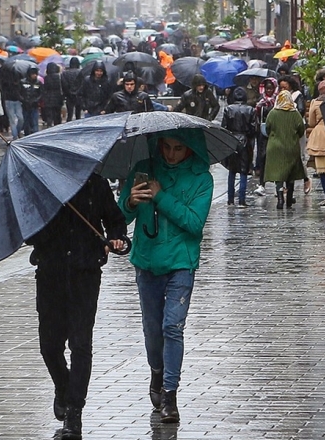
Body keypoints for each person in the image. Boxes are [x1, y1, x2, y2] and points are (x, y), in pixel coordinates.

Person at [117, 129, 214, 424]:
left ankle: (170, 394)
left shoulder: (201, 179)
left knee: (173, 326)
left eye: (178, 149)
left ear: (190, 149)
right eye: (166, 147)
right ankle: (156, 372)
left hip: (181, 261)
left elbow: (194, 223)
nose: (171, 154)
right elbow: (120, 216)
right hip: (147, 259)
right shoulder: (144, 169)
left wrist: (161, 196)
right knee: (152, 328)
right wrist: (131, 202)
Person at [26, 174, 127, 440]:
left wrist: (115, 239)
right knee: (49, 344)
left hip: (85, 272)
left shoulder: (96, 183)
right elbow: (29, 232)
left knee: (81, 344)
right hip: (51, 273)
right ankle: (64, 386)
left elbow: (115, 220)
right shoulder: (44, 185)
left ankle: (74, 412)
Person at [263, 90, 306, 209]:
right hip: (291, 147)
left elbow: (267, 128)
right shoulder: (295, 114)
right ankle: (289, 199)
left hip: (275, 148)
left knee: (278, 174)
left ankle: (280, 198)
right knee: (291, 174)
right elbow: (301, 130)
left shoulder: (273, 113)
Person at [221, 88, 257, 207]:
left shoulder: (228, 109)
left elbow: (223, 127)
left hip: (232, 140)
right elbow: (253, 129)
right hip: (245, 141)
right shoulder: (250, 110)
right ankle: (242, 200)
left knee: (231, 171)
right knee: (243, 171)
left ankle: (230, 200)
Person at [253, 77, 278, 196]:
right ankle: (262, 184)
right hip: (262, 133)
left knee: (276, 158)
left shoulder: (277, 101)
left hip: (276, 133)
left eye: (271, 88)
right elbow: (256, 115)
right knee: (263, 157)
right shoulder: (260, 101)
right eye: (267, 88)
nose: (268, 90)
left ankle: (279, 186)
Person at [20, 66, 42, 135]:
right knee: (26, 122)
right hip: (25, 105)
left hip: (34, 105)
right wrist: (24, 100)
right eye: (33, 74)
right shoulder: (23, 82)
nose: (34, 75)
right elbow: (19, 92)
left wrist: (36, 100)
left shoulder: (38, 83)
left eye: (36, 74)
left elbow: (41, 93)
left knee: (35, 123)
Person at [61, 57, 83, 122]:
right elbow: (82, 83)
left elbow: (64, 84)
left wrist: (67, 92)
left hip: (69, 95)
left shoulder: (65, 73)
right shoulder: (81, 72)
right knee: (78, 112)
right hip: (78, 95)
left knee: (70, 113)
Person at [42, 62, 64, 127]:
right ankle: (58, 127)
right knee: (57, 115)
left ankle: (49, 126)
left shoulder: (46, 78)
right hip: (58, 98)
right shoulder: (59, 77)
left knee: (49, 115)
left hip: (48, 99)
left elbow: (45, 88)